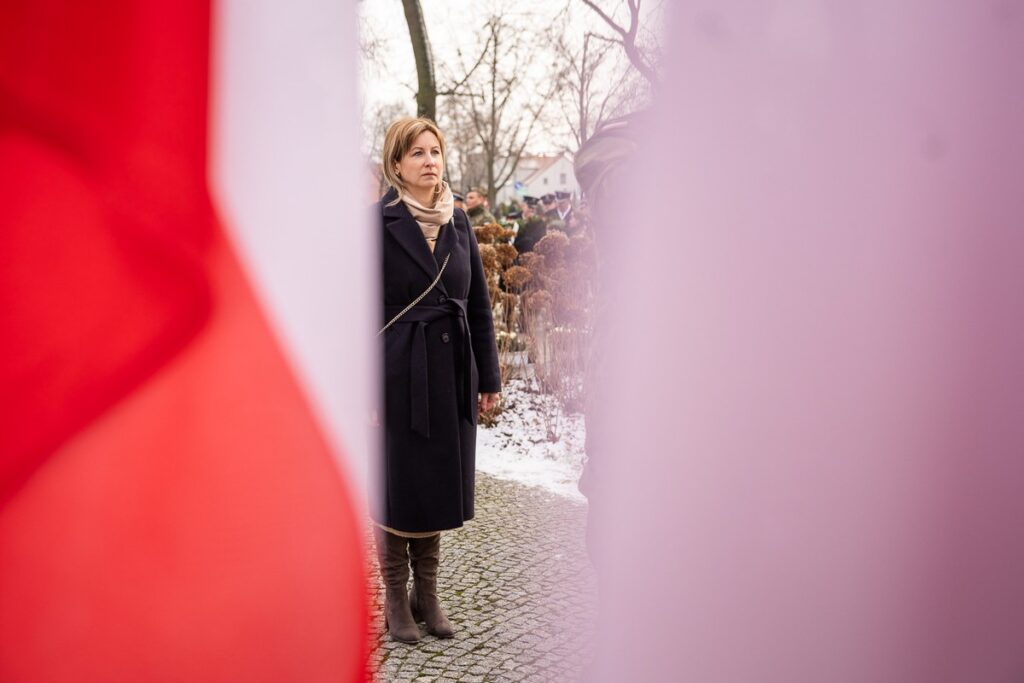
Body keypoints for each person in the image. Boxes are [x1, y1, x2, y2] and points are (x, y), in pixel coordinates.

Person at [376, 117, 502, 643]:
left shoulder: (459, 222)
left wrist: (488, 376)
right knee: (396, 484)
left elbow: (477, 305)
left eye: (435, 151)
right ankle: (394, 597)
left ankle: (426, 595)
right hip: (397, 373)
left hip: (449, 371)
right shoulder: (373, 224)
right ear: (397, 164)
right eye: (417, 153)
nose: (430, 161)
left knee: (432, 484)